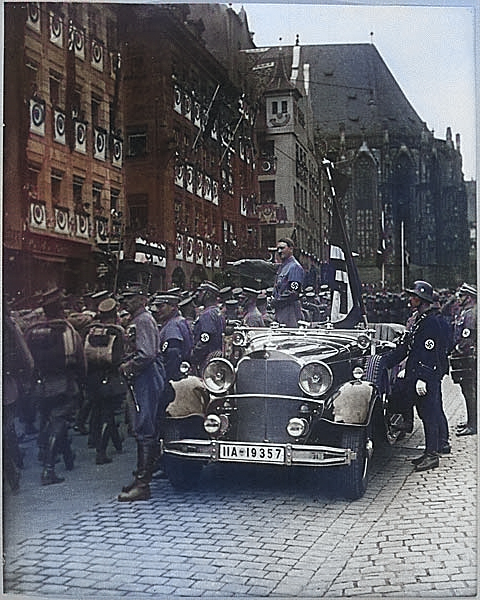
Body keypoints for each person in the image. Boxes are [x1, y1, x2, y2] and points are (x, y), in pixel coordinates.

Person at [384, 280, 452, 472]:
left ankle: (432, 455)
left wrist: (423, 377)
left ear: (422, 300)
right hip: (417, 374)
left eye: (414, 296)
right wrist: (385, 362)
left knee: (430, 414)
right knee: (424, 413)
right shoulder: (421, 320)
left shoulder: (431, 322)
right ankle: (429, 452)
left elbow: (429, 351)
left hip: (426, 377)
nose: (410, 299)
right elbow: (407, 348)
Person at [24, 288, 86, 485]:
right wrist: (82, 384)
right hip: (64, 383)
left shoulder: (32, 330)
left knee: (51, 420)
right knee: (59, 422)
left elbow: (26, 360)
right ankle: (48, 469)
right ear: (61, 309)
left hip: (40, 385)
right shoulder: (67, 330)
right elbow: (80, 360)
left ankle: (66, 457)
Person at [117, 286, 168, 502]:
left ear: (142, 299)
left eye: (131, 298)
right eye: (125, 298)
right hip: (143, 376)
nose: (126, 302)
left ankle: (143, 484)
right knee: (141, 426)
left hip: (146, 376)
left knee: (144, 426)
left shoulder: (143, 320)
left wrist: (129, 366)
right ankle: (140, 477)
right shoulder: (138, 319)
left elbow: (146, 354)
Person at [84, 297, 127, 465]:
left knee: (97, 409)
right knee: (110, 413)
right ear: (114, 313)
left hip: (93, 378)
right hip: (111, 377)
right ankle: (101, 451)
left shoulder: (89, 330)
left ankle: (99, 441)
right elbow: (121, 356)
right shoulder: (117, 331)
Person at [451, 283, 477, 436]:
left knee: (469, 391)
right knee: (467, 390)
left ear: (468, 297)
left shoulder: (471, 314)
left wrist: (457, 351)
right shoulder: (467, 312)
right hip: (466, 357)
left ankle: (473, 425)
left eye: (461, 296)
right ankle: (471, 421)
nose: (458, 298)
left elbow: (467, 339)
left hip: (468, 358)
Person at [151, 293, 193, 381]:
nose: (157, 310)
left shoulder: (172, 325)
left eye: (161, 306)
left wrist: (165, 377)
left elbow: (173, 353)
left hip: (173, 378)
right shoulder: (179, 321)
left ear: (173, 306)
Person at [191, 281, 225, 375]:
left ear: (208, 295)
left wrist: (194, 356)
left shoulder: (207, 315)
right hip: (216, 357)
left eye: (201, 292)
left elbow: (205, 340)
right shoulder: (217, 312)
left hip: (207, 359)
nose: (198, 294)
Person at [271, 237, 304, 327]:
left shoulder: (294, 267)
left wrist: (276, 302)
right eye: (278, 249)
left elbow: (293, 292)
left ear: (291, 249)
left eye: (282, 248)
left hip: (290, 312)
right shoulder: (283, 267)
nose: (279, 251)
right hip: (281, 310)